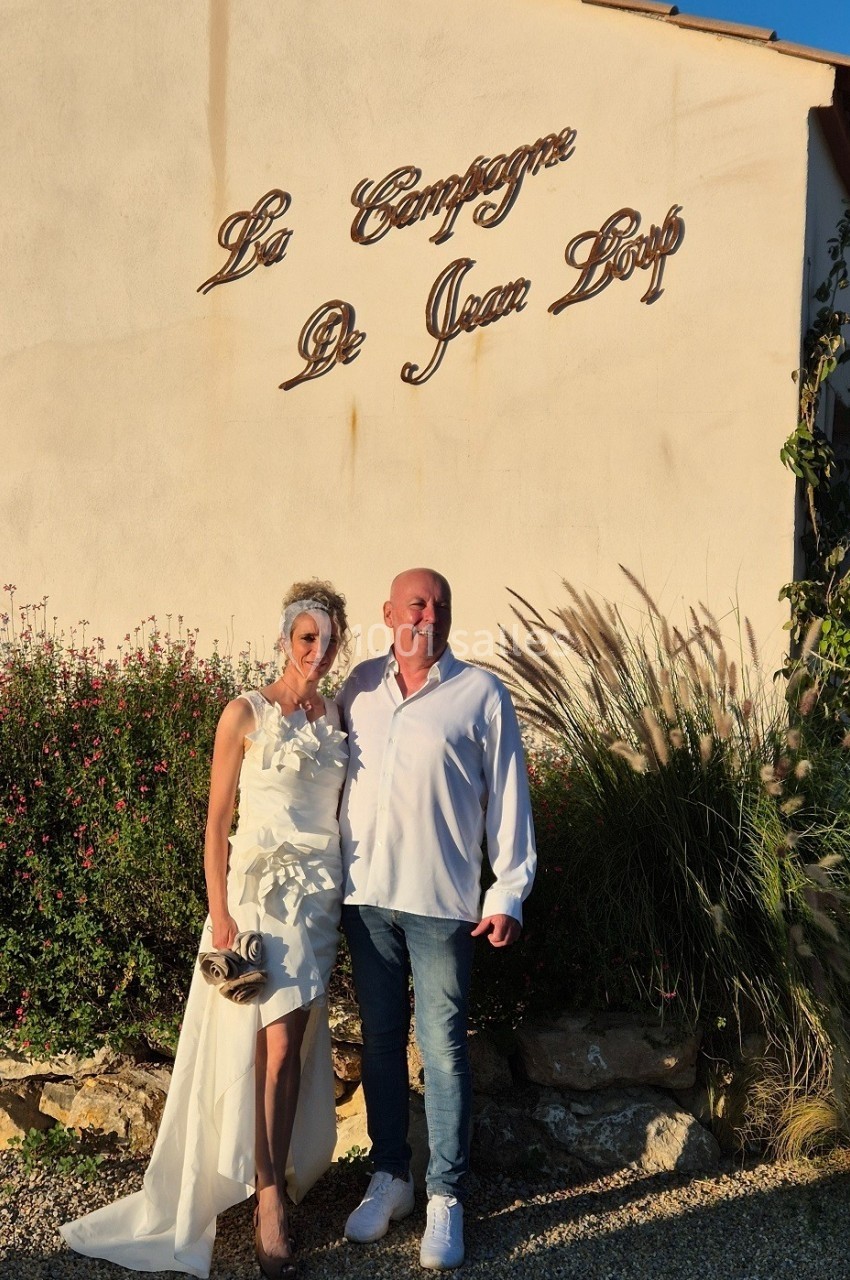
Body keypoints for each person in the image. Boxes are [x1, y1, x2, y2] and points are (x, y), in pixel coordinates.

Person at [61, 581, 350, 1280]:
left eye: (330, 638)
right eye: (308, 637)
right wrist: (220, 914)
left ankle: (267, 1175)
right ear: (285, 639)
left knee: (291, 1047)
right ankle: (268, 1197)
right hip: (255, 901)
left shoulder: (336, 715)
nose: (319, 650)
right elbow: (216, 823)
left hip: (317, 902)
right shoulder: (244, 713)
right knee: (272, 1044)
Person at [338, 567, 536, 1271]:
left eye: (442, 605)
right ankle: (390, 1177)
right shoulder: (358, 688)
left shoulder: (480, 694)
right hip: (365, 900)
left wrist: (506, 893)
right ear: (388, 611)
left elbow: (508, 799)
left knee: (445, 1048)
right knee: (382, 1041)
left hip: (443, 904)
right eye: (417, 603)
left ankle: (446, 1196)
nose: (430, 614)